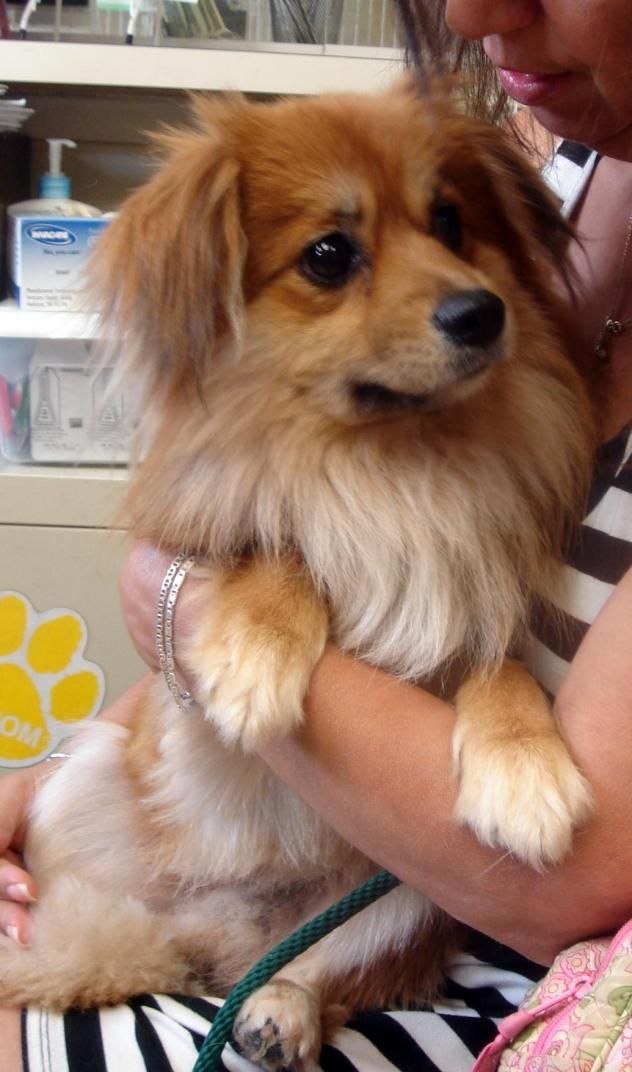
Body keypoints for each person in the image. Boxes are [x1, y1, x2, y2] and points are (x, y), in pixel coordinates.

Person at [2, 1, 632, 1068]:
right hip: (215, 836)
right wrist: (42, 789)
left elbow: (566, 873)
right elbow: (225, 593)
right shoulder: (566, 155)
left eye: (442, 227)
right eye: (333, 255)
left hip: (463, 947)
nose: (460, 293)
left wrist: (173, 603)